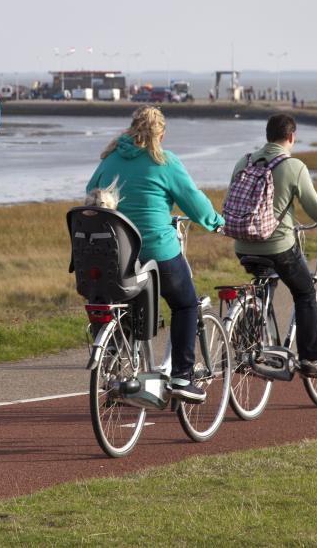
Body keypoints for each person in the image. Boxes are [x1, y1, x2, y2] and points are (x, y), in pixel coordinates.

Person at [86, 106, 223, 402]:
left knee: (125, 302)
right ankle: (182, 377)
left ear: (131, 128)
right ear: (160, 133)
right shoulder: (165, 161)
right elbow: (195, 204)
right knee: (185, 305)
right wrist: (216, 222)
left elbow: (91, 194)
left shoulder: (109, 160)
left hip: (116, 256)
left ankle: (114, 367)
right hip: (157, 252)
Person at [228, 114, 317, 377]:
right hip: (278, 246)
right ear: (291, 137)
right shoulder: (294, 166)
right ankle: (311, 360)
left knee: (264, 285)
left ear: (268, 135)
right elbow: (315, 210)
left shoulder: (243, 162)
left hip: (243, 244)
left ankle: (250, 339)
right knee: (305, 293)